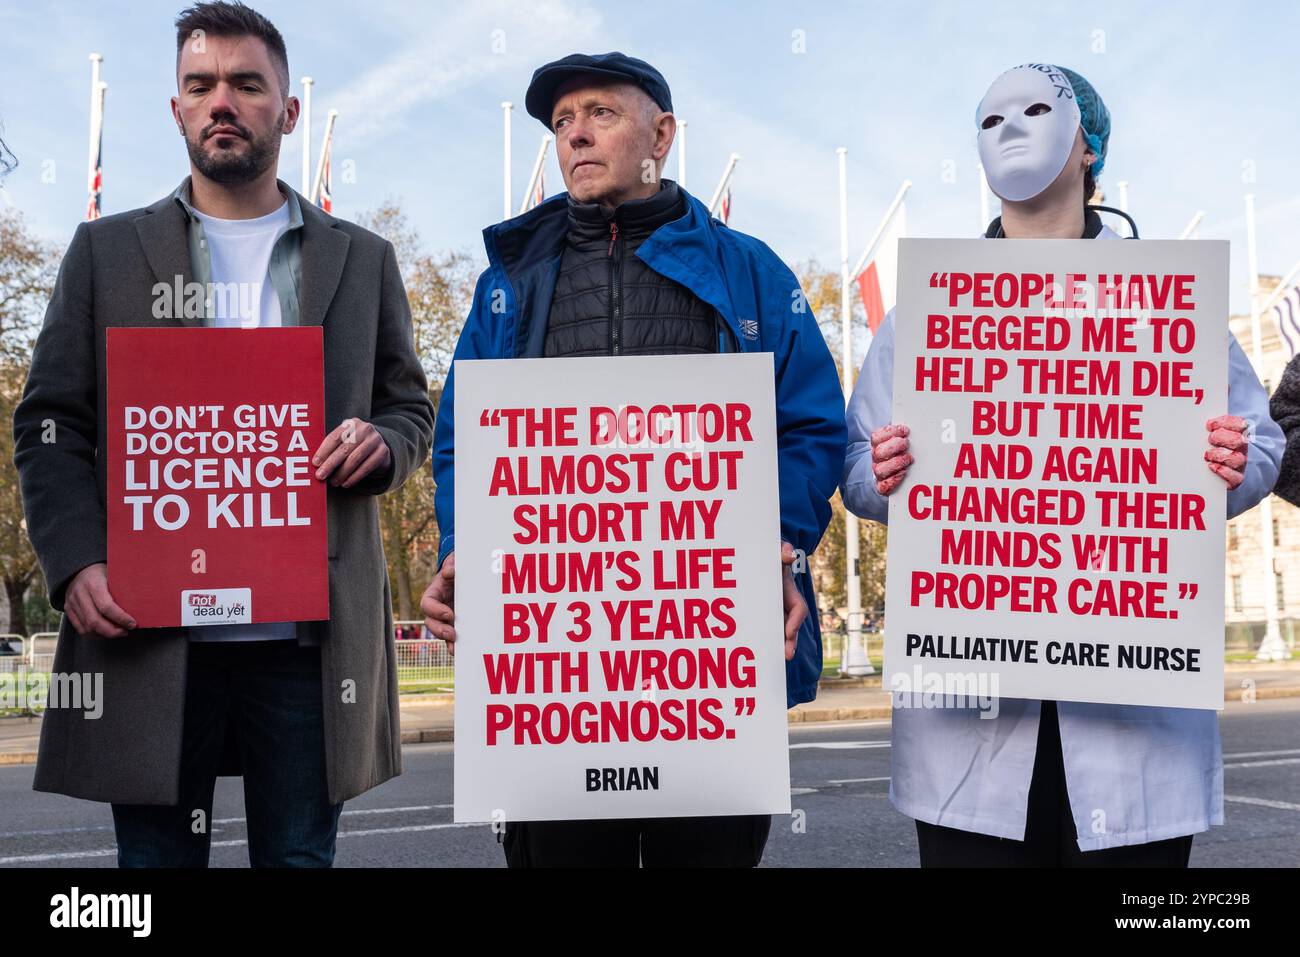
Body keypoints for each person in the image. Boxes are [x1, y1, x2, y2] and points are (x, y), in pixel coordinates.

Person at [12, 0, 434, 867]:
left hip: (307, 648)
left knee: (296, 862)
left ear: (288, 108)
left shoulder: (363, 259)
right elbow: (51, 421)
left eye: (247, 84)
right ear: (176, 110)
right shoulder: (104, 252)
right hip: (152, 637)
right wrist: (76, 557)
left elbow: (410, 407)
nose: (222, 102)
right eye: (200, 85)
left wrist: (384, 447)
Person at [842, 63, 1283, 866]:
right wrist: (883, 471)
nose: (1009, 127)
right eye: (988, 119)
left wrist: (1231, 459)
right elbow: (856, 469)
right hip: (970, 730)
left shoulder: (1168, 303)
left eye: (1037, 109)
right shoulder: (925, 314)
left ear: (1090, 148)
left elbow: (1260, 444)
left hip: (1132, 709)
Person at [420, 52, 846, 867]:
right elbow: (460, 443)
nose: (574, 133)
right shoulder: (509, 282)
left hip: (708, 666)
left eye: (599, 114)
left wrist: (779, 535)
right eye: (561, 123)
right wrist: (459, 545)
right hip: (554, 672)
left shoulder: (751, 271)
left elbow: (812, 427)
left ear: (664, 133)